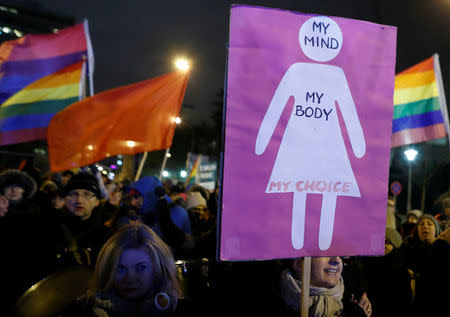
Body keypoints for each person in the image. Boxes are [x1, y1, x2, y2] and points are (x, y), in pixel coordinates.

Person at [63, 224, 181, 316]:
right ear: (107, 271)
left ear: (158, 270)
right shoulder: (84, 310)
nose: (129, 279)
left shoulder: (177, 309)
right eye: (120, 269)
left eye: (141, 268)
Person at [52, 172, 113, 268]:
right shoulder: (50, 227)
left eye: (87, 195)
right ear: (66, 199)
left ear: (97, 201)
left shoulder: (107, 237)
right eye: (73, 194)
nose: (79, 200)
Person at [280, 257, 372, 317]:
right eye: (326, 253)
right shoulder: (272, 301)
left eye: (339, 254)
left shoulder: (354, 299)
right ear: (298, 263)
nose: (337, 260)